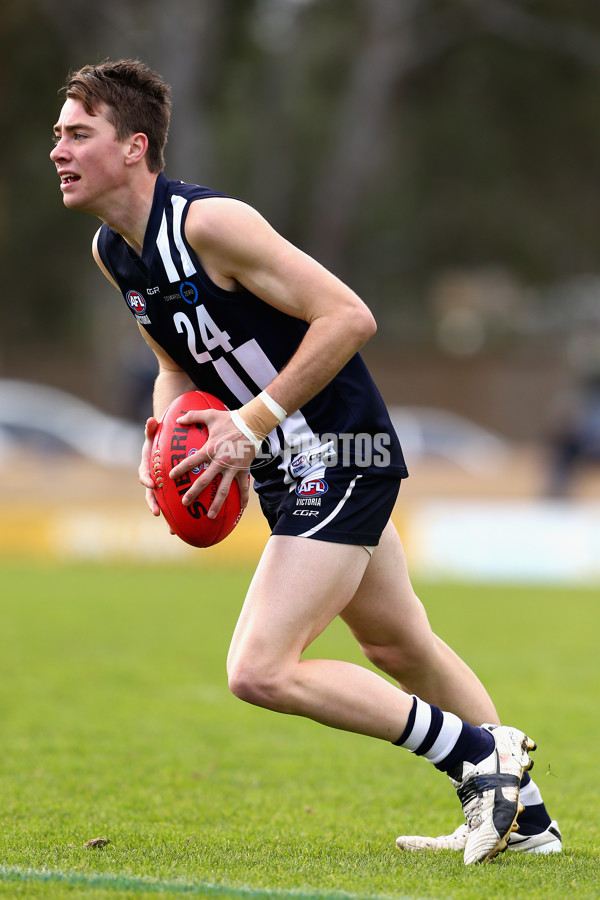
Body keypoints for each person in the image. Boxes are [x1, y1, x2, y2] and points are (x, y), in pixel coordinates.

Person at [50, 59, 560, 864]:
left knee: (258, 669)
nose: (59, 149)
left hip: (342, 451)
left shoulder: (212, 225)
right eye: (57, 134)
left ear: (135, 146)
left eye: (79, 133)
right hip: (286, 471)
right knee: (402, 649)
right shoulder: (114, 252)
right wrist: (163, 448)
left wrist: (250, 421)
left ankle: (477, 759)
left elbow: (349, 316)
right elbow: (175, 368)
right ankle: (528, 826)